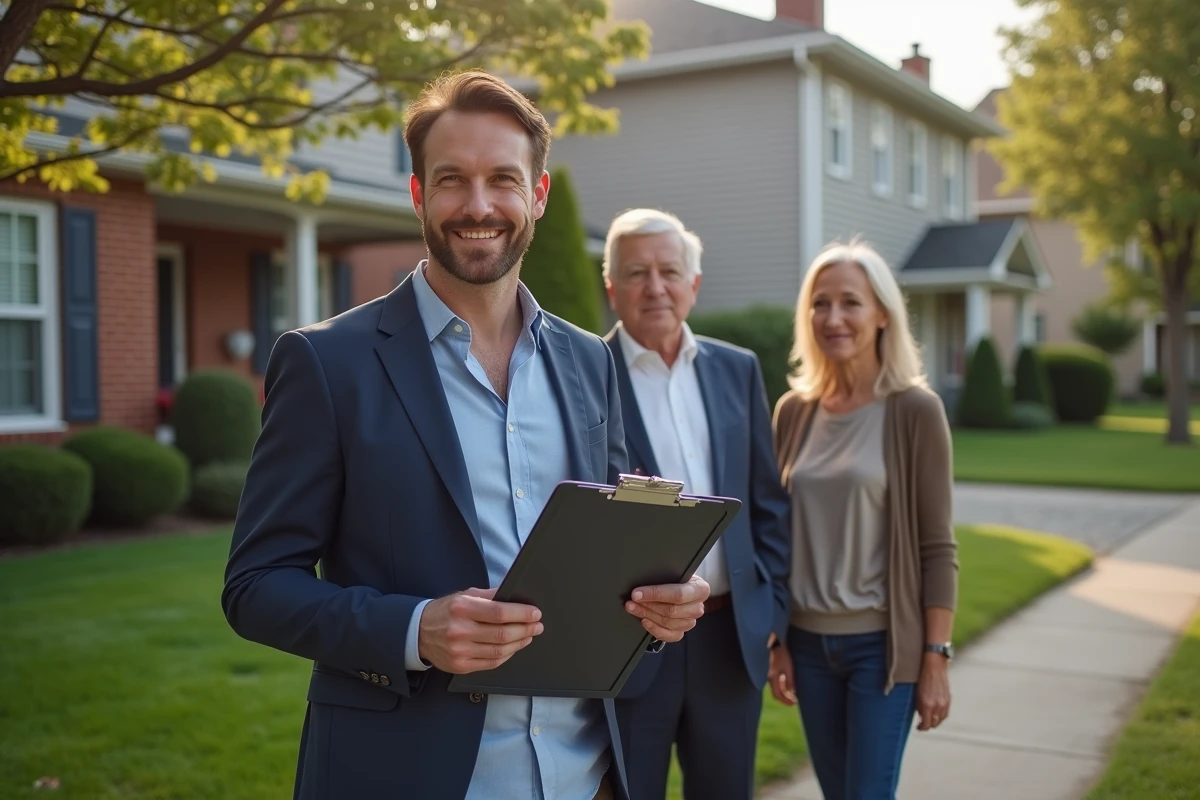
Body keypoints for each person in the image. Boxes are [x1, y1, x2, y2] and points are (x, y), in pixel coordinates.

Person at [221, 70, 711, 800]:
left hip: (585, 777)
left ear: (537, 196)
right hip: (404, 774)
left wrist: (662, 598)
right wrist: (415, 629)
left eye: (503, 180)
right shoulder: (327, 363)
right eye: (452, 180)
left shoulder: (588, 361)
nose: (478, 206)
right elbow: (255, 587)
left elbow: (608, 539)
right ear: (419, 194)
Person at [600, 208, 792, 800]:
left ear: (694, 284)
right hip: (630, 644)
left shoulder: (737, 369)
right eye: (636, 273)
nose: (654, 287)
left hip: (729, 641)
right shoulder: (585, 373)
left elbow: (770, 505)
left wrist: (771, 609)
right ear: (612, 289)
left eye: (669, 271)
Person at [768, 239, 957, 800]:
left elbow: (937, 547)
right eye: (820, 304)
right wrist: (777, 643)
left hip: (881, 649)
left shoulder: (914, 411)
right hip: (807, 646)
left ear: (881, 314)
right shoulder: (793, 413)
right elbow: (773, 537)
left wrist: (935, 658)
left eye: (850, 302)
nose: (833, 318)